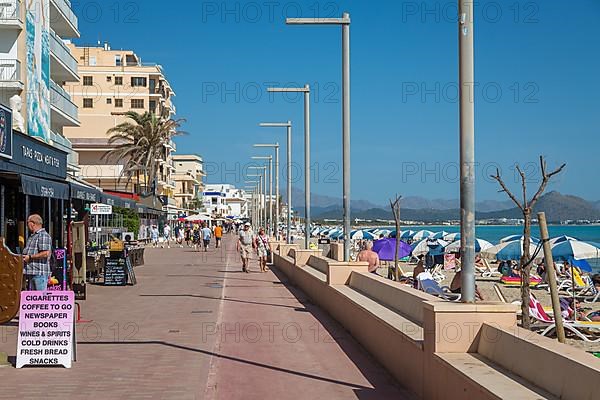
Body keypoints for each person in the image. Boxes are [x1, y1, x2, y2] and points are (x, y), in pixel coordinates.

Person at [23, 214, 52, 291]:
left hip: (39, 273)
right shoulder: (33, 236)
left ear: (32, 223)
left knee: (40, 300)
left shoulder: (43, 235)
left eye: (27, 223)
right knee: (34, 300)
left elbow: (46, 253)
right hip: (32, 272)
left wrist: (30, 257)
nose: (27, 225)